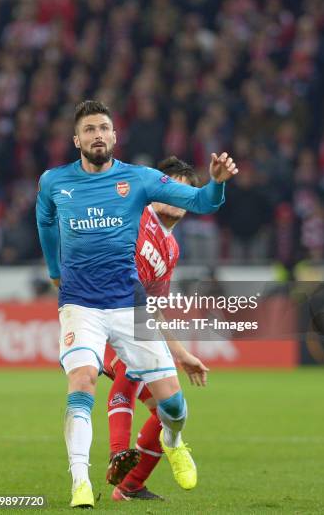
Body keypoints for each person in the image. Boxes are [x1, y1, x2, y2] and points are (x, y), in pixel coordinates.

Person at [35, 100, 238, 508]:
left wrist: (215, 183)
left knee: (174, 407)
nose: (97, 135)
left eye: (103, 128)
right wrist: (55, 269)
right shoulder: (53, 182)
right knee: (83, 384)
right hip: (80, 304)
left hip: (129, 306)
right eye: (89, 129)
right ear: (77, 139)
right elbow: (45, 222)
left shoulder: (140, 180)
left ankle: (173, 439)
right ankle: (80, 482)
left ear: (114, 136)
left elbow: (201, 202)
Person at [104, 155, 209, 501]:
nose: (176, 196)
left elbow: (154, 307)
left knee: (170, 412)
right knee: (134, 365)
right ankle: (118, 453)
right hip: (105, 319)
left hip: (137, 321)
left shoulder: (172, 248)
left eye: (185, 192)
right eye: (169, 188)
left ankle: (130, 486)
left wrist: (178, 352)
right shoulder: (135, 216)